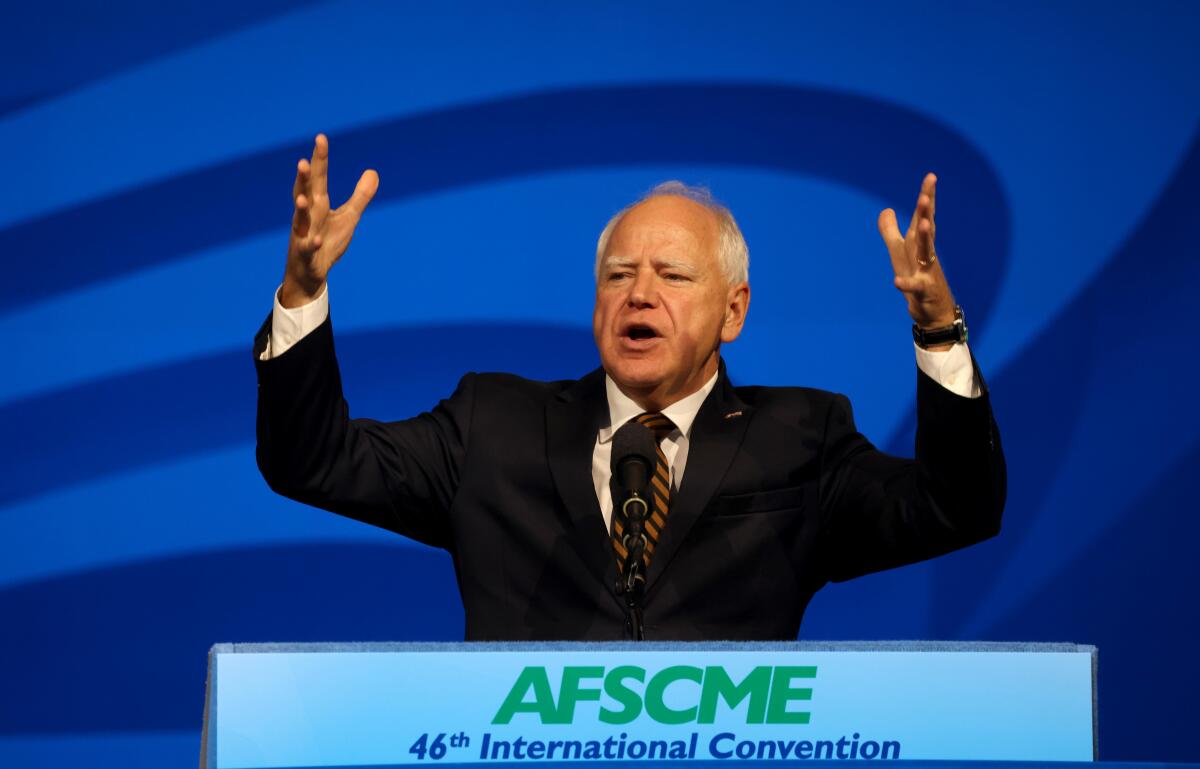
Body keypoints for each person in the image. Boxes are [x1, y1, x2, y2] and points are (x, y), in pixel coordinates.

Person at [254, 134, 1005, 640]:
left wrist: (939, 331)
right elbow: (310, 461)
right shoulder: (492, 425)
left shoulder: (799, 438)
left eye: (673, 276)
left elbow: (955, 507)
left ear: (733, 310)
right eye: (618, 276)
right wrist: (302, 292)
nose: (639, 295)